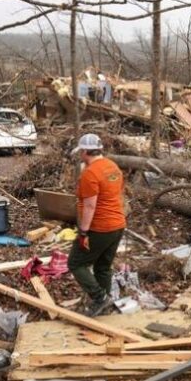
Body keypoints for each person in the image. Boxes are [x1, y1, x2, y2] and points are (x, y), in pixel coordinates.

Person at [67, 133, 126, 317]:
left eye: (81, 152)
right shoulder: (113, 167)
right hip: (118, 225)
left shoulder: (90, 173)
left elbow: (90, 206)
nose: (80, 156)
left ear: (85, 151)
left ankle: (100, 298)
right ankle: (104, 304)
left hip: (100, 227)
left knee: (75, 263)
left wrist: (83, 232)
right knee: (102, 267)